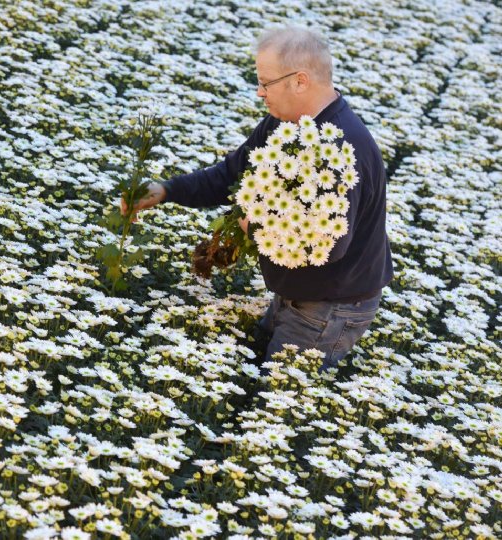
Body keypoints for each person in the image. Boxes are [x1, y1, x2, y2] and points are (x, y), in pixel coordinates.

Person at [120, 26, 393, 372]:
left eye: (266, 82)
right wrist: (165, 191)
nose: (259, 92)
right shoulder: (290, 124)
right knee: (253, 373)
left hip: (332, 305)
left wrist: (257, 230)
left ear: (300, 81)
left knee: (278, 397)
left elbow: (330, 246)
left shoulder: (338, 149)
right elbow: (232, 174)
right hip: (299, 294)